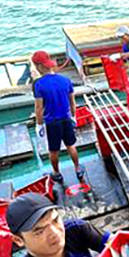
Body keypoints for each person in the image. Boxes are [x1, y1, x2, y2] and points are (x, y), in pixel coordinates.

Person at [32, 51, 84, 183]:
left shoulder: (38, 84)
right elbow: (72, 102)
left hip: (51, 122)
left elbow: (38, 108)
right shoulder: (65, 80)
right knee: (71, 145)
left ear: (39, 66)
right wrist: (73, 116)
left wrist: (39, 125)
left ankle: (56, 172)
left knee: (53, 150)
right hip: (66, 119)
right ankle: (78, 169)